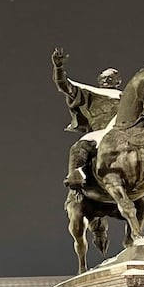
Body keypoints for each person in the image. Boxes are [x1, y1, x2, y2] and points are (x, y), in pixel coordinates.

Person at [52, 47, 121, 188]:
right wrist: (58, 67)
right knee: (80, 147)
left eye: (110, 78)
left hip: (126, 131)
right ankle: (75, 176)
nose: (107, 80)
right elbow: (64, 85)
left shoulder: (126, 97)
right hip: (101, 133)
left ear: (117, 81)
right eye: (105, 78)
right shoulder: (90, 93)